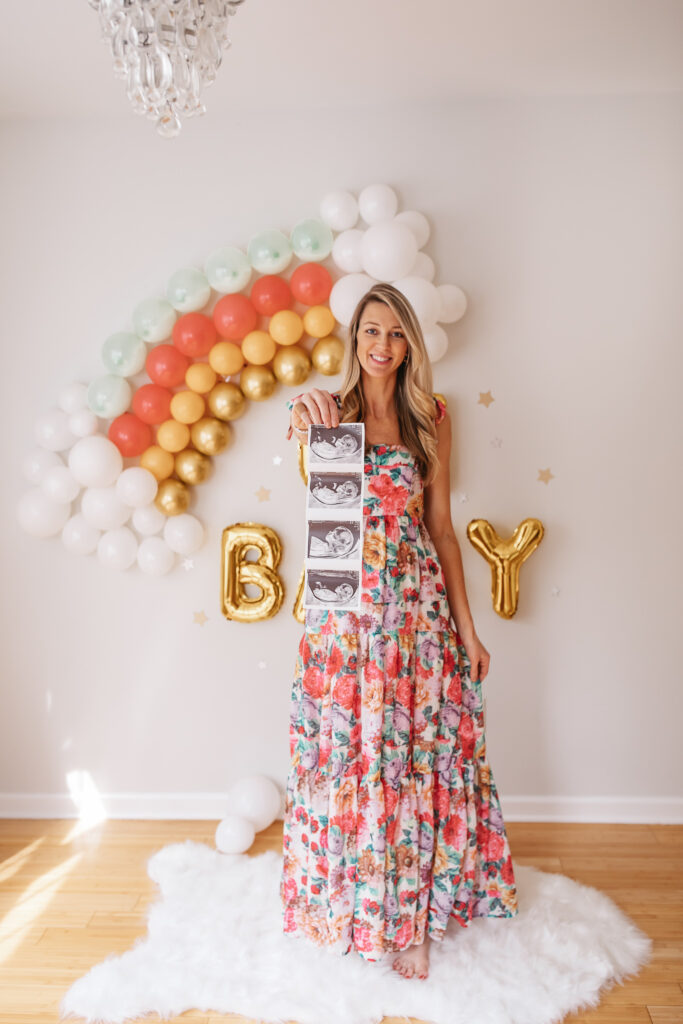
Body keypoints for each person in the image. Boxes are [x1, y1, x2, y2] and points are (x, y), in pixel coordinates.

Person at [280, 282, 518, 980]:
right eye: (369, 332)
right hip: (344, 624)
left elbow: (441, 531)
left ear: (410, 342)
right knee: (353, 762)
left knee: (414, 763)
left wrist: (466, 631)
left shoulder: (431, 417)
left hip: (413, 619)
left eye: (394, 333)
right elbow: (298, 437)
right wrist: (302, 421)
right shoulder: (330, 411)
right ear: (353, 342)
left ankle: (411, 918)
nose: (380, 345)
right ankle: (352, 905)